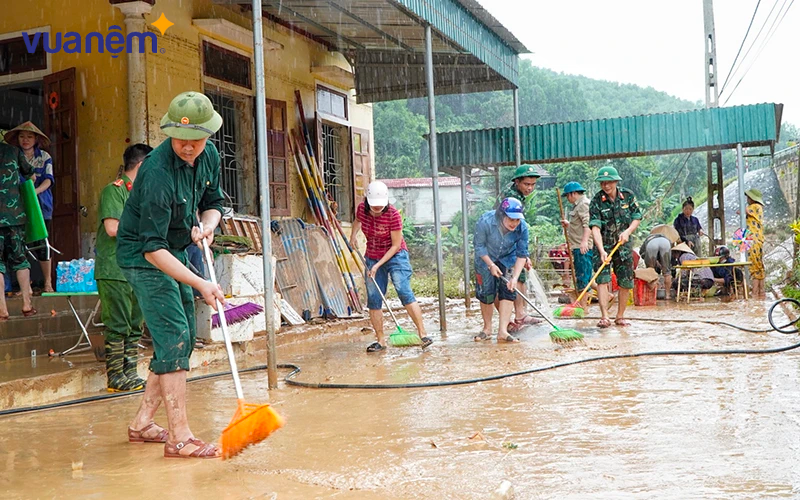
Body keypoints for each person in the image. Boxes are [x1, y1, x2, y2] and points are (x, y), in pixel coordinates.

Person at [116, 91, 226, 458]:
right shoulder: (157, 172)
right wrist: (200, 282)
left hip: (175, 249)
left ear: (208, 136)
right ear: (169, 134)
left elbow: (213, 204)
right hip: (142, 256)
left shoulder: (208, 156)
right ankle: (179, 437)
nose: (189, 147)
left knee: (179, 337)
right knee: (175, 333)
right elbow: (151, 247)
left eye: (196, 139)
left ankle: (143, 423)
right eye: (181, 140)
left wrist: (207, 226)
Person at [96, 143, 153, 392]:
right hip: (114, 269)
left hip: (138, 269)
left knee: (134, 324)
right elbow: (112, 228)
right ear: (141, 165)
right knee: (117, 324)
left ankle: (130, 372)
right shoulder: (114, 191)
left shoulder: (141, 194)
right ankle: (114, 377)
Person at [350, 181, 431, 352]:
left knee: (403, 290)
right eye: (374, 207)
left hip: (396, 255)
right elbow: (357, 220)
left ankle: (422, 334)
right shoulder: (361, 209)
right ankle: (380, 341)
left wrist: (378, 266)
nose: (378, 209)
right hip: (372, 255)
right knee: (374, 297)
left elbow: (395, 246)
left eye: (380, 206)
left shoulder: (393, 215)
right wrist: (353, 235)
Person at [588, 166, 642, 328]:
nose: (606, 186)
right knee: (603, 280)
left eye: (609, 182)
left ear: (616, 181)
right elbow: (595, 227)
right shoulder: (596, 201)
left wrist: (628, 231)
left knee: (625, 281)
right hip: (603, 246)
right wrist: (602, 250)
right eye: (603, 183)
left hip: (623, 246)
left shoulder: (627, 196)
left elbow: (637, 216)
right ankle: (605, 316)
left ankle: (620, 316)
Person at [4, 122, 55, 292]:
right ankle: (27, 288)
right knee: (20, 245)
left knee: (42, 243)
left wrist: (34, 192)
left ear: (36, 139)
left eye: (29, 136)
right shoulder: (12, 156)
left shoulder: (45, 157)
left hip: (41, 205)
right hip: (18, 207)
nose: (25, 140)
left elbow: (48, 180)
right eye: (22, 136)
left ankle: (48, 283)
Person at [473, 198, 530, 343]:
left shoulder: (522, 227)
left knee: (509, 291)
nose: (514, 223)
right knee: (486, 292)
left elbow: (522, 253)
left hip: (508, 258)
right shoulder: (485, 221)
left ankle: (503, 331)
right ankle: (487, 329)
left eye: (517, 220)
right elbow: (479, 246)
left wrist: (515, 278)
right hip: (485, 258)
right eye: (511, 219)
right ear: (501, 215)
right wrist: (491, 265)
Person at [498, 164, 542, 332]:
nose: (530, 188)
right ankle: (513, 318)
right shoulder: (510, 198)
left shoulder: (518, 196)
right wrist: (520, 254)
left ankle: (520, 314)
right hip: (504, 245)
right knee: (511, 280)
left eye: (532, 185)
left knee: (519, 277)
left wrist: (523, 254)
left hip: (513, 244)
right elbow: (510, 226)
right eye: (526, 184)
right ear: (517, 182)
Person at [0, 141, 36, 320]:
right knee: (20, 258)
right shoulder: (13, 150)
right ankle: (27, 304)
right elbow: (30, 175)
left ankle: (2, 309)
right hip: (14, 216)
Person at [560, 181, 593, 309]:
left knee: (582, 279)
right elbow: (580, 225)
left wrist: (584, 242)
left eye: (567, 196)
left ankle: (583, 309)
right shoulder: (578, 205)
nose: (567, 199)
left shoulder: (583, 205)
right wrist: (569, 225)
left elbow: (587, 225)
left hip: (582, 247)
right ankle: (607, 296)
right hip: (578, 245)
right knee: (586, 276)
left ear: (573, 194)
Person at [745, 188, 766, 299]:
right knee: (759, 265)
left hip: (754, 240)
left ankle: (755, 293)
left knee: (754, 265)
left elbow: (745, 210)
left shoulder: (754, 207)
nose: (747, 199)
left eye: (748, 197)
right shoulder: (759, 208)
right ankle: (761, 292)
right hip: (757, 239)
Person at [639, 233, 674, 297]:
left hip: (651, 244)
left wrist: (651, 264)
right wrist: (662, 264)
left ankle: (652, 295)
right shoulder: (666, 237)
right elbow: (670, 257)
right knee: (667, 272)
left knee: (650, 271)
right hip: (665, 243)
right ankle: (667, 295)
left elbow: (642, 253)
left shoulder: (648, 238)